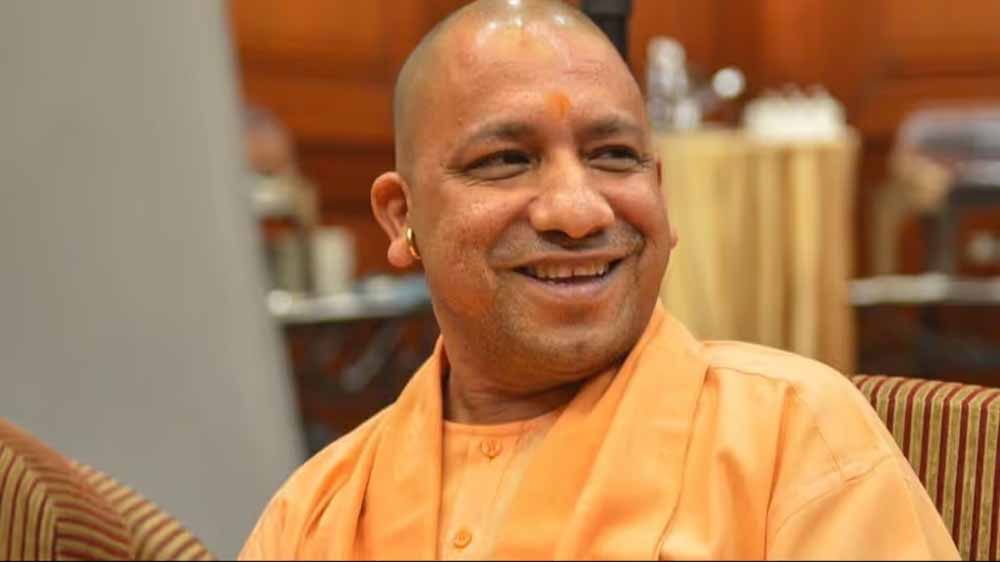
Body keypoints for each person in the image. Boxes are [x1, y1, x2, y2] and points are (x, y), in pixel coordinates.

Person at [239, 0, 959, 559]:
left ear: (662, 197)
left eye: (613, 155)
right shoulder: (318, 513)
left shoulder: (791, 440)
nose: (579, 212)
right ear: (403, 219)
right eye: (505, 161)